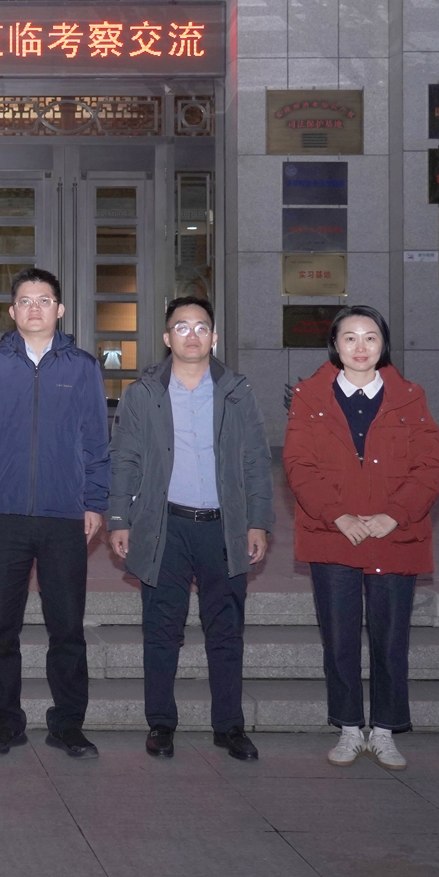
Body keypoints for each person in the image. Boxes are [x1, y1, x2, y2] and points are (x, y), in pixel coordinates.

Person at [106, 297, 274, 761]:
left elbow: (257, 460)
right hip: (165, 526)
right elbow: (124, 459)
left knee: (226, 631)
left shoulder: (237, 392)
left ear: (214, 337)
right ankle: (161, 723)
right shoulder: (144, 394)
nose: (192, 335)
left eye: (201, 327)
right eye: (182, 327)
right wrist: (119, 518)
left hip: (224, 528)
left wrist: (258, 522)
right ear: (167, 338)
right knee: (161, 629)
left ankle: (230, 726)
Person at [283, 306, 439, 771]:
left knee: (391, 640)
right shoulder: (310, 396)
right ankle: (350, 728)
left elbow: (430, 464)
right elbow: (298, 464)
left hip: (393, 535)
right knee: (339, 637)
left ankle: (386, 730)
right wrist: (338, 515)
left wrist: (396, 515)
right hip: (334, 535)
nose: (360, 347)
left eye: (370, 337)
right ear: (335, 345)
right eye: (349, 337)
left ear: (383, 344)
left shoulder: (409, 397)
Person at [0, 268, 109, 758]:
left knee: (66, 628)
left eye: (44, 300)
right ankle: (5, 722)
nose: (34, 308)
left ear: (59, 310)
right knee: (0, 628)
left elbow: (96, 440)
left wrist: (95, 502)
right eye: (25, 300)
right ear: (12, 311)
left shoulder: (82, 367)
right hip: (2, 514)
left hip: (64, 515)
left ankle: (68, 724)